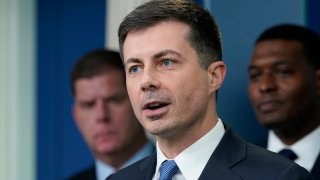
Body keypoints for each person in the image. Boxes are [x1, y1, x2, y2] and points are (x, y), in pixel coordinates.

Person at [107, 1, 312, 179]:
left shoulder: (280, 176)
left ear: (214, 76)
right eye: (135, 68)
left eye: (166, 62)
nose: (146, 81)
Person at [67, 49, 154, 180]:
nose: (102, 116)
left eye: (114, 100)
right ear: (76, 116)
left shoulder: (182, 172)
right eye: (88, 105)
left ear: (140, 103)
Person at [247, 24, 320, 179]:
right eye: (255, 75)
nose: (265, 86)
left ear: (317, 81)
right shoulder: (229, 165)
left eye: (282, 72)